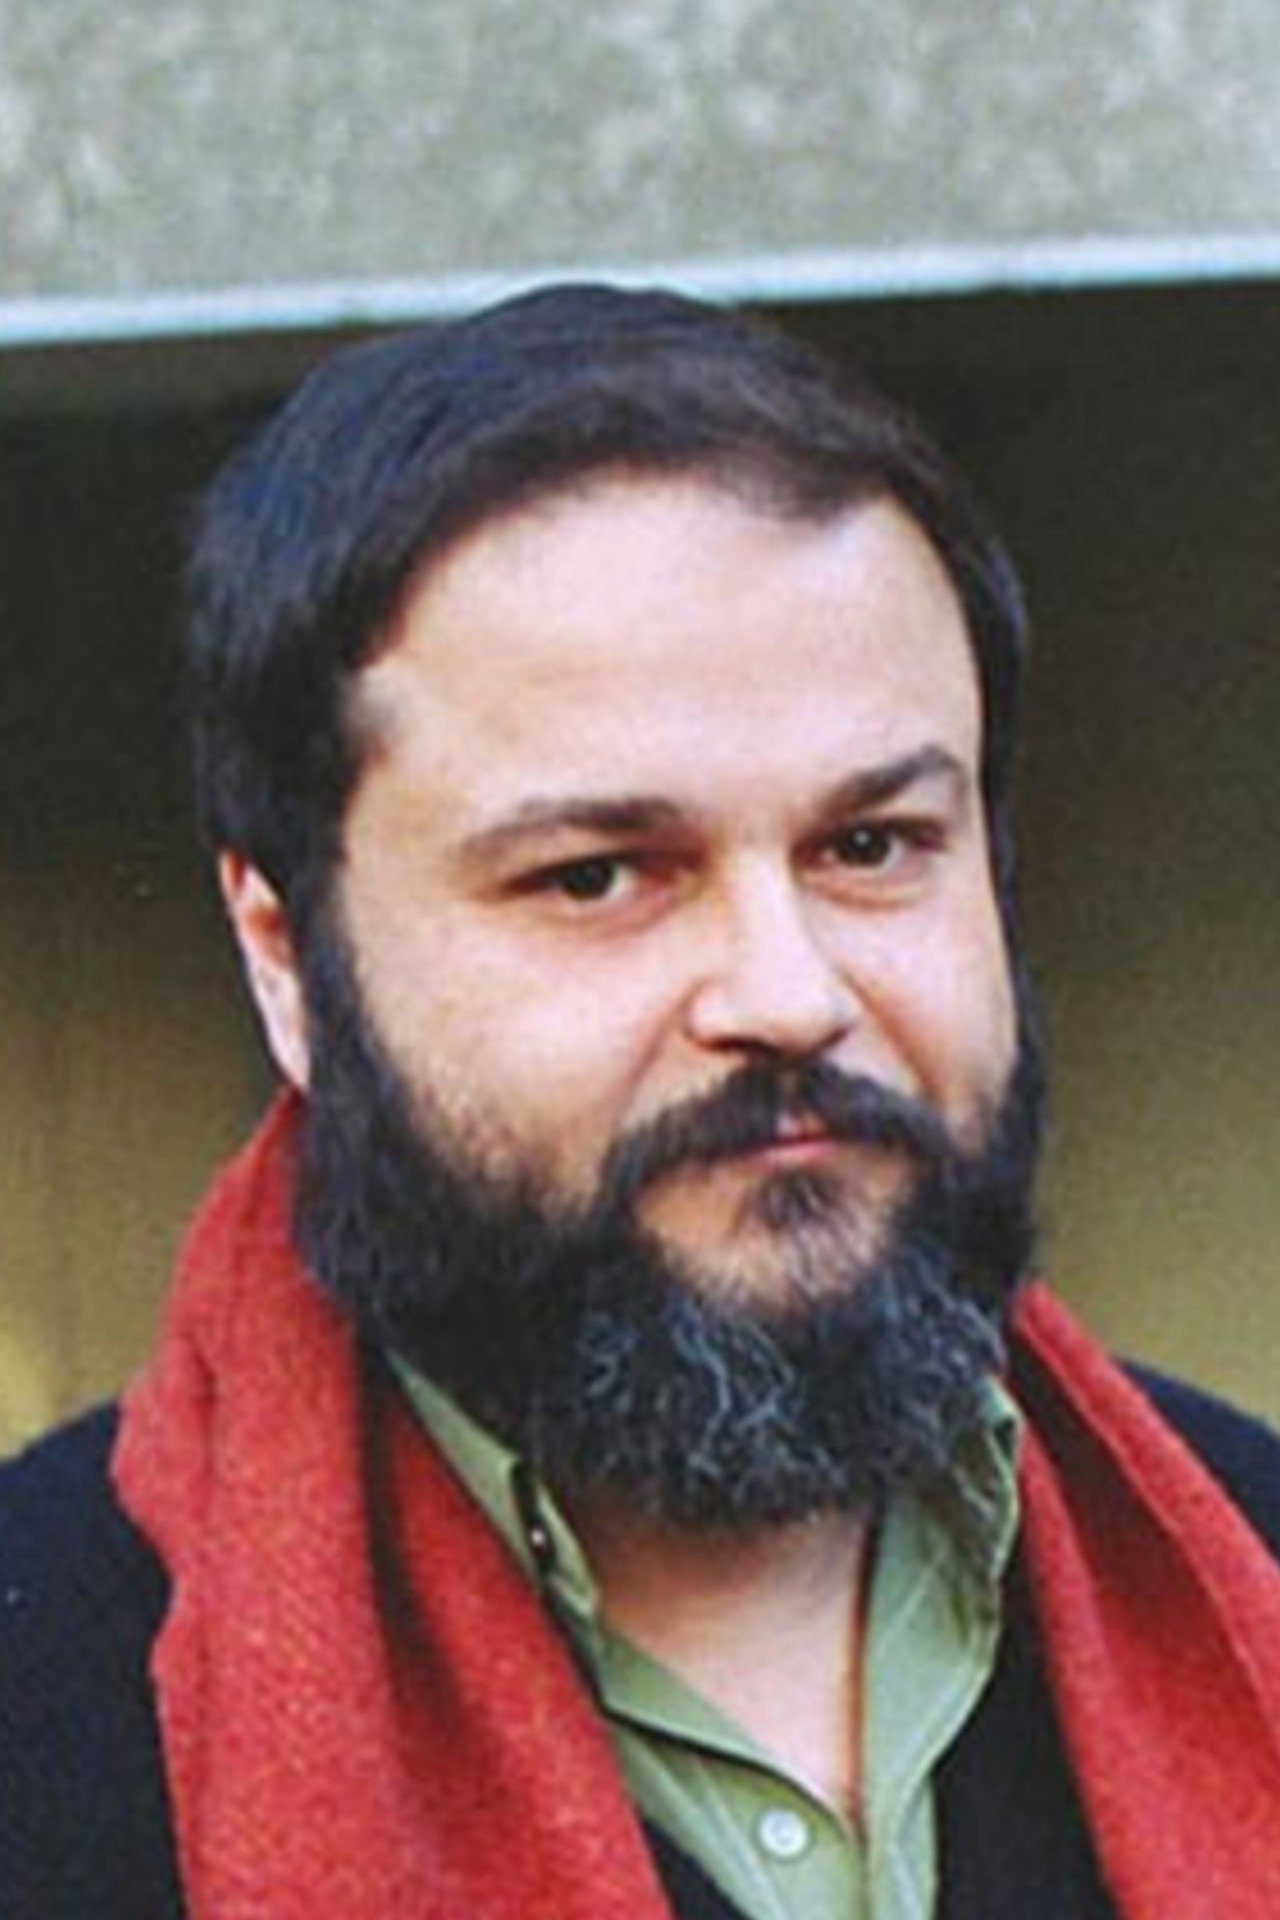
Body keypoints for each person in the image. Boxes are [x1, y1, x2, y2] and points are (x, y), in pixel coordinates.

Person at [3, 284, 1280, 1920]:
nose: (789, 994)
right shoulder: (46, 1699)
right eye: (600, 874)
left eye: (872, 846)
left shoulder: (1249, 1551)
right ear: (288, 960)